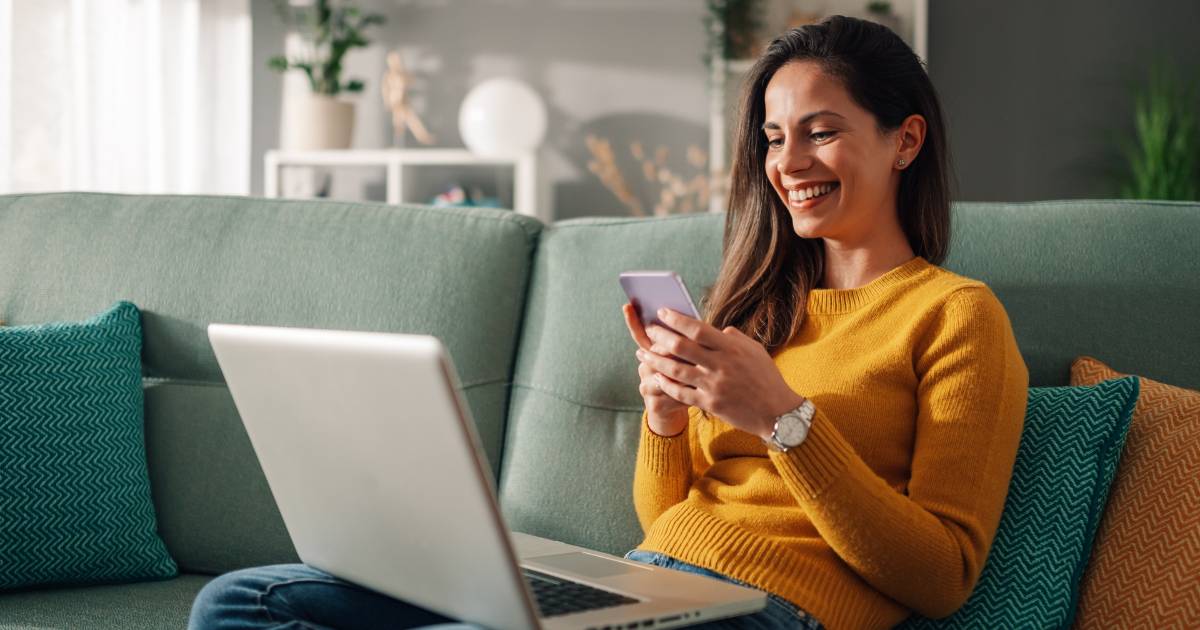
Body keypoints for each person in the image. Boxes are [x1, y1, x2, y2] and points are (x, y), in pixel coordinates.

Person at [188, 15, 1028, 630]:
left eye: (821, 132)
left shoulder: (955, 317)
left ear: (905, 140)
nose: (789, 163)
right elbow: (662, 525)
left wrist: (784, 419)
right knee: (241, 603)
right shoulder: (753, 312)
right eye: (773, 138)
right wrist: (665, 422)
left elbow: (942, 574)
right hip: (654, 586)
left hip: (778, 613)